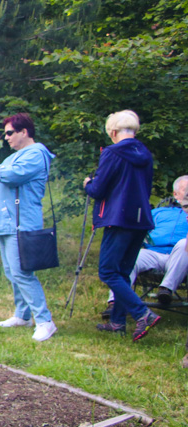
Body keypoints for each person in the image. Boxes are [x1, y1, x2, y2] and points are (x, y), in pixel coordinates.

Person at [0, 113, 58, 342]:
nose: (6, 138)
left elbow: (9, 176)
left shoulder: (36, 154)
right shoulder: (15, 156)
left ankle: (45, 321)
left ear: (24, 132)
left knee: (22, 272)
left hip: (21, 222)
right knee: (12, 271)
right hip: (7, 223)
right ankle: (22, 315)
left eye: (9, 133)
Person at [84, 110, 159, 341]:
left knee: (107, 270)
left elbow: (99, 190)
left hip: (119, 218)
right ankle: (117, 322)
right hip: (141, 219)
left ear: (113, 132)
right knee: (123, 272)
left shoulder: (112, 153)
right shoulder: (145, 154)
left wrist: (88, 184)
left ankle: (142, 314)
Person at [101, 175, 188, 317]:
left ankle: (166, 289)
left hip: (181, 256)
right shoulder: (159, 212)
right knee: (130, 257)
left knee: (185, 243)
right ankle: (115, 303)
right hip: (153, 253)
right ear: (175, 194)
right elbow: (140, 227)